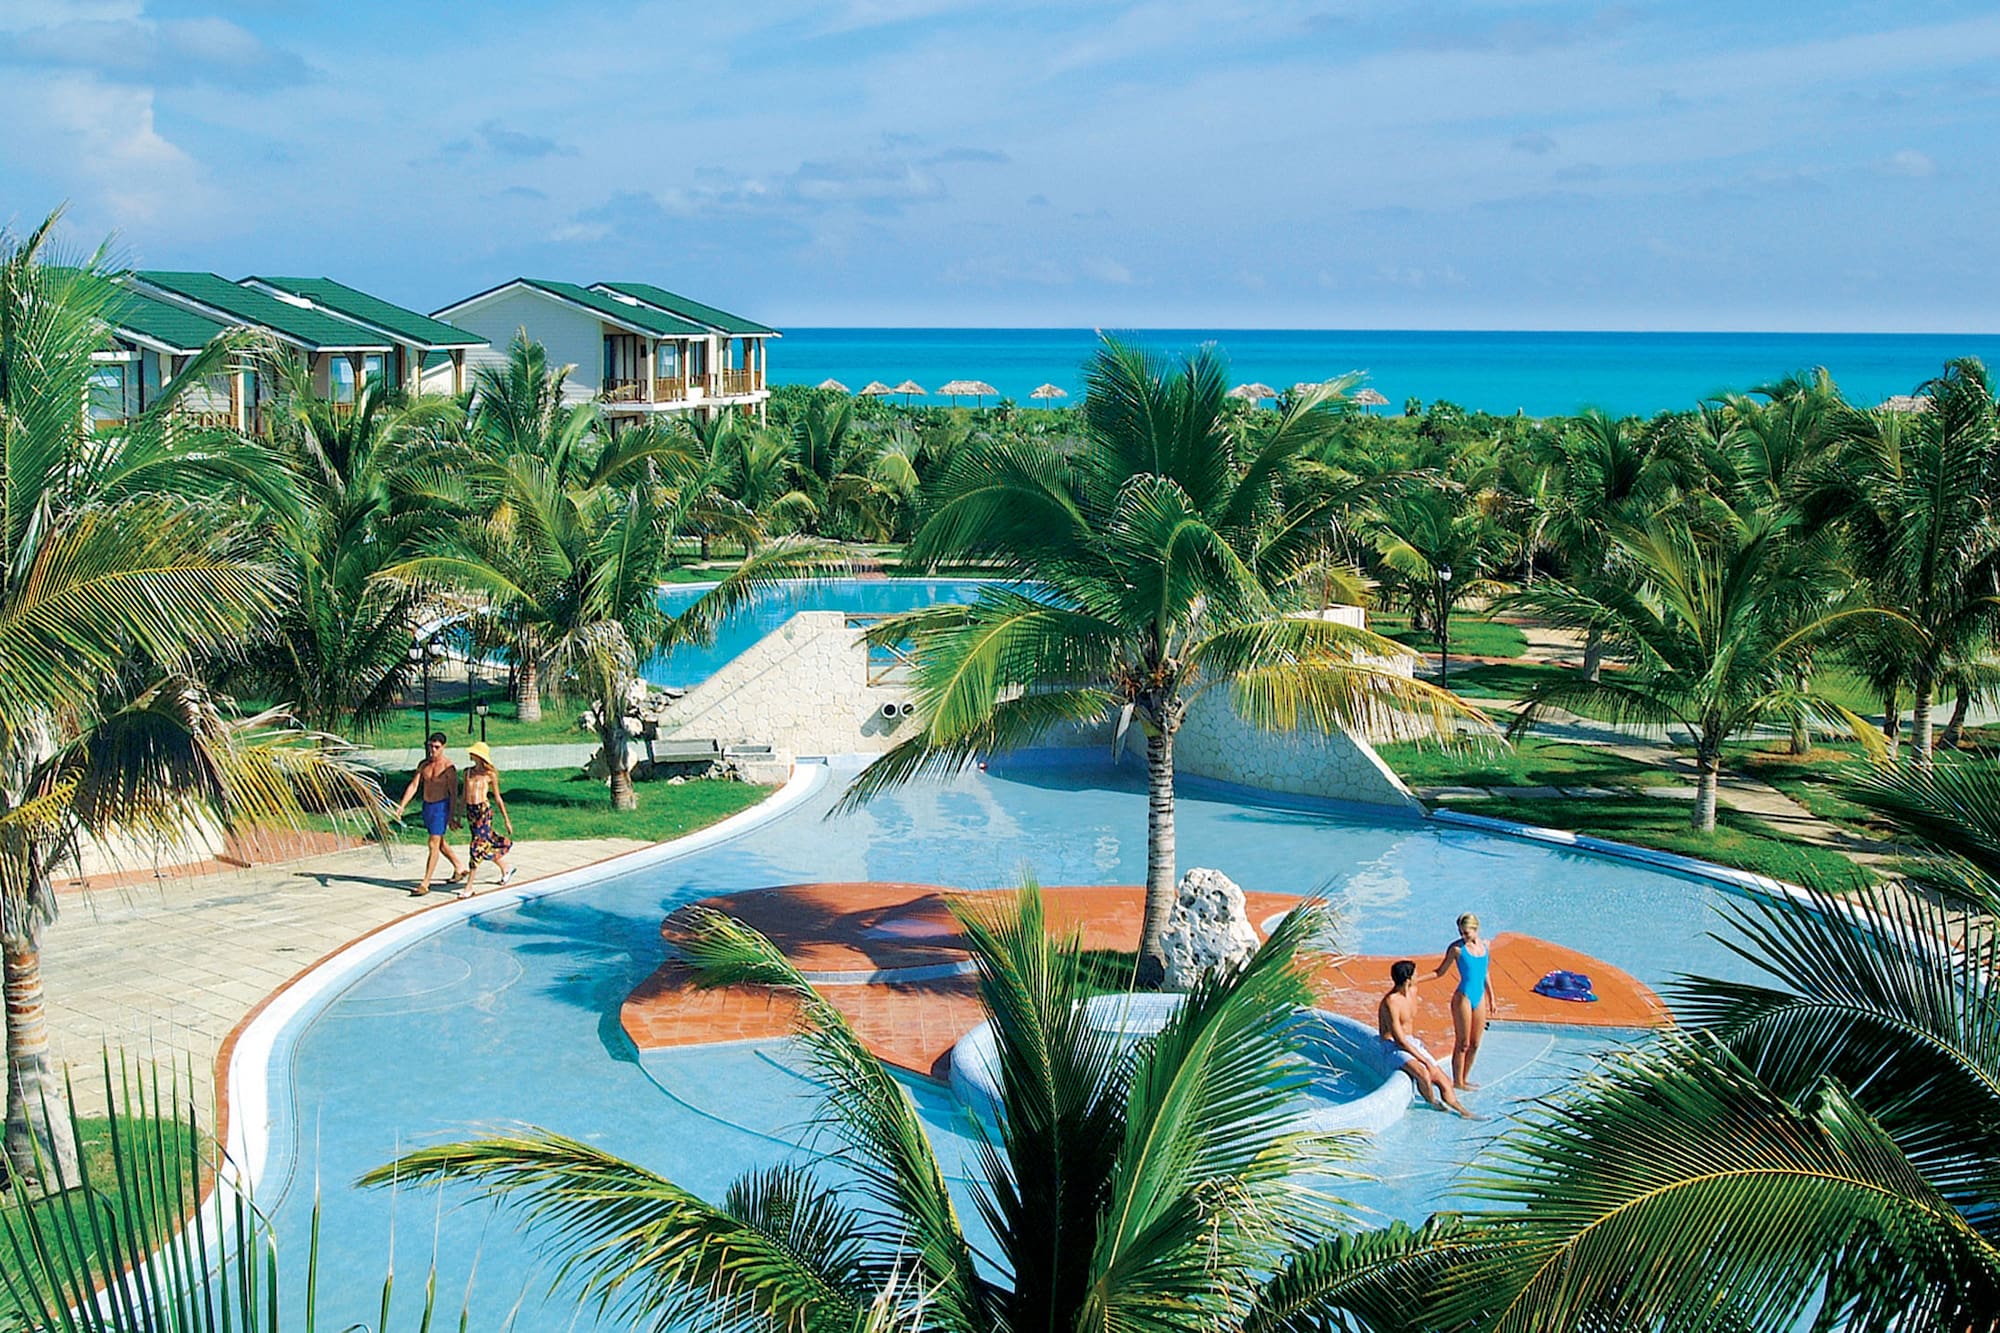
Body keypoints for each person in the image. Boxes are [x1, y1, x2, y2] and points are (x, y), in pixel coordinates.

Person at [1379, 959, 1474, 1117]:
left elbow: (1436, 973)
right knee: (1423, 1073)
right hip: (1393, 1046)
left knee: (1443, 1079)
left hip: (1411, 1042)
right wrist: (1423, 1060)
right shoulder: (1391, 1002)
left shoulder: (1413, 990)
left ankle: (1462, 1110)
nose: (1419, 976)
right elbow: (1399, 1039)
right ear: (1408, 979)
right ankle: (1433, 1103)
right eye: (1416, 974)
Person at [392, 733, 466, 897]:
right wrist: (402, 806)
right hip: (427, 807)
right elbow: (414, 785)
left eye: (436, 747)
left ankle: (425, 883)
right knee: (438, 842)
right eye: (430, 746)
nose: (432, 750)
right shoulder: (423, 765)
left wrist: (453, 816)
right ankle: (459, 866)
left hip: (441, 807)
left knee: (433, 844)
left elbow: (454, 794)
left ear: (443, 747)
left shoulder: (448, 768)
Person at [1431, 911, 1494, 1089]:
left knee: (1475, 1043)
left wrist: (1492, 998)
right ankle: (1457, 1081)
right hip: (1463, 997)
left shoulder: (1486, 946)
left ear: (1476, 929)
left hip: (1479, 996)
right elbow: (1440, 971)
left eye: (1466, 932)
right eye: (1461, 932)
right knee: (1463, 1043)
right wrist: (1415, 980)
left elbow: (1485, 972)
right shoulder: (1457, 949)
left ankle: (1464, 1079)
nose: (1463, 936)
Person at [458, 740, 516, 898]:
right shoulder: (467, 772)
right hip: (471, 812)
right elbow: (464, 796)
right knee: (486, 843)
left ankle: (469, 887)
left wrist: (506, 820)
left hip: (484, 812)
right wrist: (457, 815)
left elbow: (498, 798)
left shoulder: (490, 775)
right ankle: (506, 868)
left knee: (476, 848)